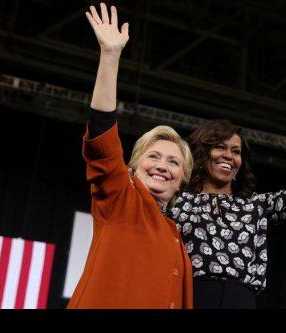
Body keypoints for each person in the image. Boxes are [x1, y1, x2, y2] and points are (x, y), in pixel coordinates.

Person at [171, 67, 286, 308]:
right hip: (190, 298)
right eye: (219, 147)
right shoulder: (177, 201)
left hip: (242, 301)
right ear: (202, 153)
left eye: (235, 151)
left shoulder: (256, 207)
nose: (228, 155)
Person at [67, 3, 194, 309]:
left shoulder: (174, 234)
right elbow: (102, 137)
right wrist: (110, 57)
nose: (162, 165)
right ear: (132, 167)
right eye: (154, 157)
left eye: (174, 162)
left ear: (182, 181)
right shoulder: (120, 197)